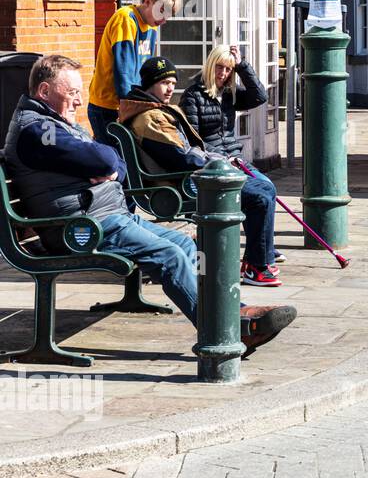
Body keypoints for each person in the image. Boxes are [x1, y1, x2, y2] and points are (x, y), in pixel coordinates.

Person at [3, 55, 295, 354]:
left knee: (188, 246)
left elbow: (112, 160)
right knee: (169, 255)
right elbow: (104, 158)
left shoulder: (54, 123)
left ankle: (237, 312)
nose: (79, 102)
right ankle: (223, 330)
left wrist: (104, 167)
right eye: (72, 93)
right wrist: (103, 166)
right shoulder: (40, 131)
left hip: (106, 216)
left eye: (80, 93)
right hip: (80, 229)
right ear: (44, 92)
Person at [180, 46, 281, 287]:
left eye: (228, 69)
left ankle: (261, 254)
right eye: (220, 67)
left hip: (234, 159)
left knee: (269, 187)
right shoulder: (193, 96)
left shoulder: (228, 94)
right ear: (210, 65)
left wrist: (242, 65)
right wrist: (218, 160)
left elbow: (260, 97)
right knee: (259, 196)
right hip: (214, 166)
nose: (223, 73)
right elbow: (192, 141)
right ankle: (259, 263)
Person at [86, 0, 181, 144]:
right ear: (147, 1)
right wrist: (132, 110)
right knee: (115, 162)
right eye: (161, 12)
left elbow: (147, 72)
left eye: (167, 15)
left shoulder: (151, 26)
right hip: (109, 106)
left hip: (129, 105)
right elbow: (124, 72)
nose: (163, 20)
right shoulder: (126, 19)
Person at [117, 57, 213, 174]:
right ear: (149, 84)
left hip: (193, 173)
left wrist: (223, 158)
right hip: (179, 184)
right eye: (165, 83)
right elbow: (182, 158)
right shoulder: (151, 118)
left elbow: (191, 146)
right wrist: (217, 163)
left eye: (173, 83)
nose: (171, 89)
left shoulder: (158, 109)